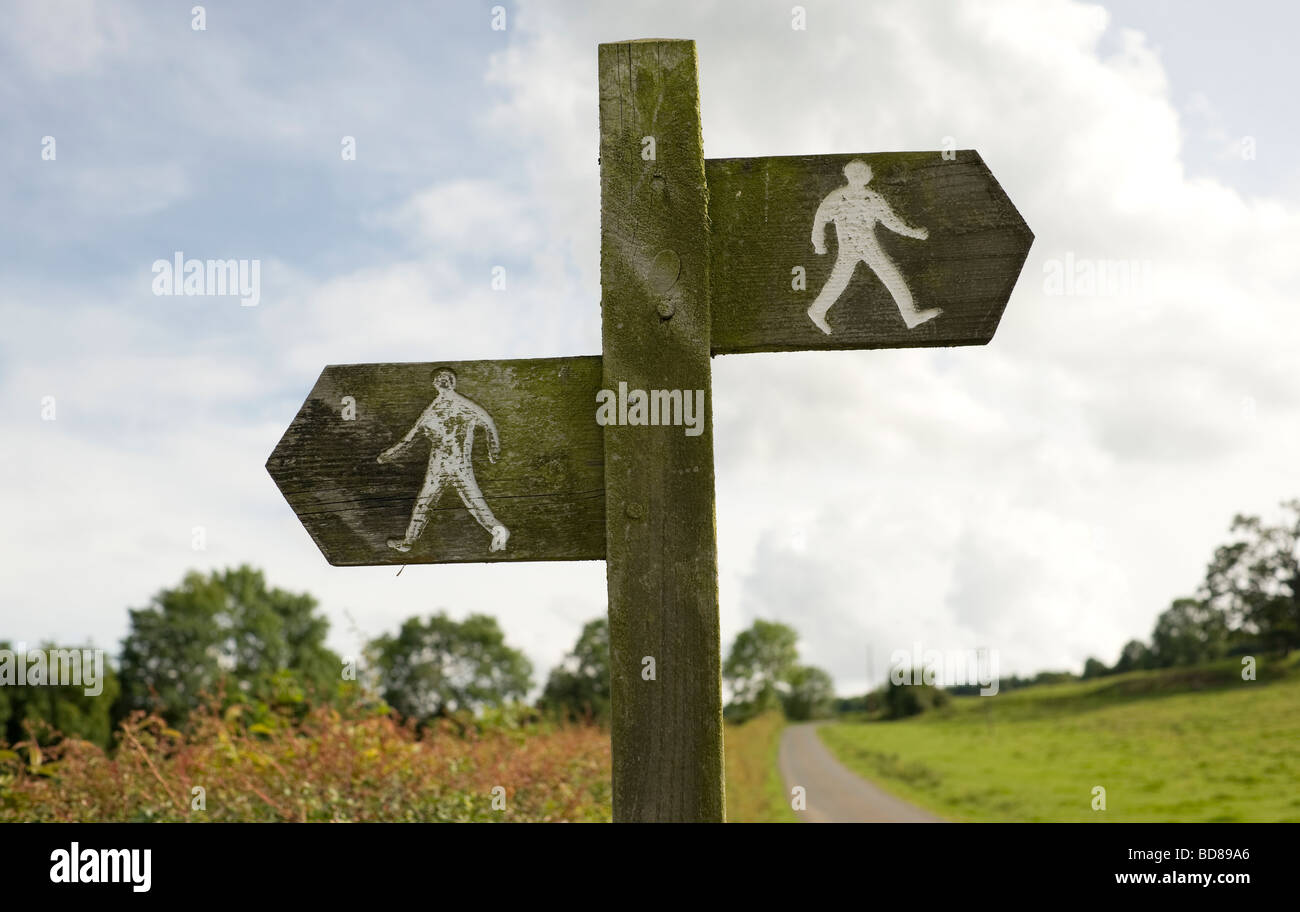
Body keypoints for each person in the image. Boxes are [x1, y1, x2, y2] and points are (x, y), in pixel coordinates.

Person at [378, 368, 509, 553]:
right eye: (440, 378)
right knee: (425, 504)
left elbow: (488, 422)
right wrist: (388, 455)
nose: (443, 381)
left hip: (459, 465)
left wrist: (494, 449)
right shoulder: (431, 411)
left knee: (474, 503)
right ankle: (408, 541)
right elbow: (410, 438)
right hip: (438, 468)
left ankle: (499, 532)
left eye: (447, 377)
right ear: (435, 384)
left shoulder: (464, 405)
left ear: (453, 382)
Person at [807, 159, 941, 334]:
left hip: (869, 246)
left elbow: (891, 221)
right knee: (839, 281)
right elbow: (819, 221)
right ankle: (816, 311)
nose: (858, 176)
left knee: (890, 276)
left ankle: (910, 316)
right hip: (849, 248)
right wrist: (818, 244)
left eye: (861, 172)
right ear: (846, 174)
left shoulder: (873, 199)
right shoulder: (837, 198)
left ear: (869, 176)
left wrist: (913, 233)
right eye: (854, 172)